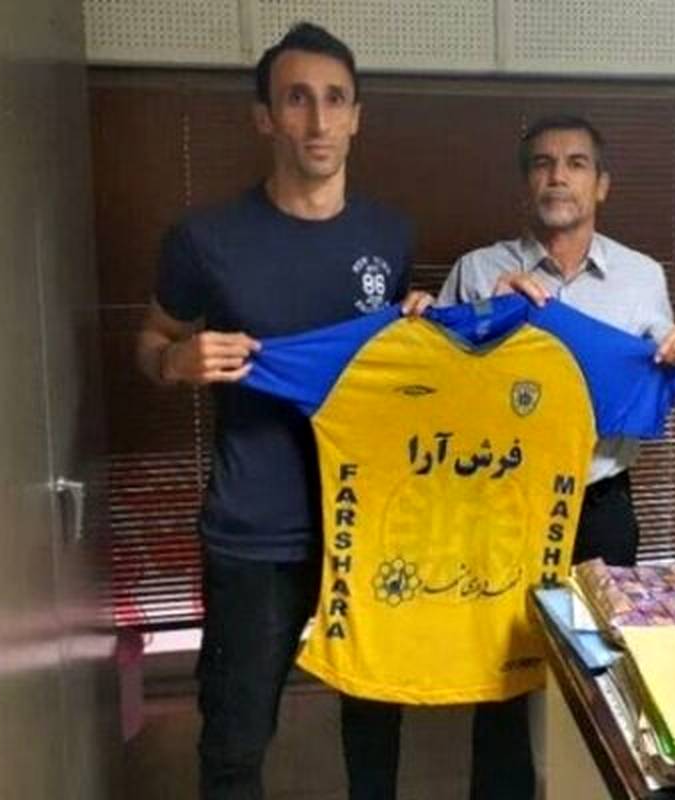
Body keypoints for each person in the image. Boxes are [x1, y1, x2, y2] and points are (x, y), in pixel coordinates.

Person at [135, 23, 427, 799]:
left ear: (357, 116)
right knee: (235, 738)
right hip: (254, 531)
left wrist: (422, 326)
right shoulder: (205, 239)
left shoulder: (390, 235)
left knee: (376, 727)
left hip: (368, 524)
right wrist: (174, 360)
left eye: (335, 100)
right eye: (297, 99)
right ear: (265, 117)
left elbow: (398, 368)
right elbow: (152, 339)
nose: (319, 120)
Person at [439, 113, 675, 568]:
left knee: (599, 617)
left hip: (599, 505)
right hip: (496, 498)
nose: (558, 176)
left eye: (576, 163)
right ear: (525, 185)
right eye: (542, 163)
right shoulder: (477, 271)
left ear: (601, 185)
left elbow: (668, 373)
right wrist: (488, 318)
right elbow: (437, 384)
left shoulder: (641, 276)